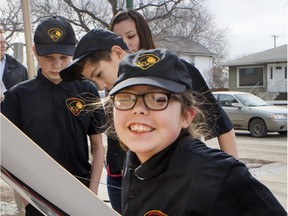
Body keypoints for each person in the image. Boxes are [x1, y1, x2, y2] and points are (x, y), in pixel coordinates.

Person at [106, 48, 286, 215]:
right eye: (125, 98)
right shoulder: (132, 161)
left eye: (158, 99)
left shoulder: (220, 175)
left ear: (186, 116)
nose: (138, 110)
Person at [2, 16, 105, 216]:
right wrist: (24, 194)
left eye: (63, 57)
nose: (57, 64)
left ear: (73, 53)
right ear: (34, 51)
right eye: (49, 57)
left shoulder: (87, 91)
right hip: (36, 194)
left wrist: (91, 192)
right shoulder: (17, 96)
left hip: (79, 190)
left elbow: (98, 147)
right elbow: (9, 153)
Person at [110, 9, 238, 157]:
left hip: (182, 169)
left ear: (143, 34)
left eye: (131, 36)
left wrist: (232, 174)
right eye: (118, 40)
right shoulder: (114, 79)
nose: (126, 43)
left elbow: (222, 128)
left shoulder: (180, 71)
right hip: (130, 176)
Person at [60, 28, 130, 214]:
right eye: (93, 81)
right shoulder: (118, 100)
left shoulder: (170, 74)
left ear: (117, 53)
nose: (101, 86)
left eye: (99, 74)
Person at [0, 32, 28, 102]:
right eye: (0, 42)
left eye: (4, 42)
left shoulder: (19, 68)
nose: (3, 45)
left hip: (9, 111)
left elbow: (26, 95)